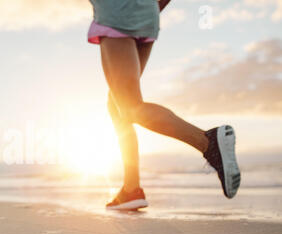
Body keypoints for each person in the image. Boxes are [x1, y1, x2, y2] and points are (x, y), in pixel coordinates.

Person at [87, 0, 241, 210]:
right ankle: (131, 189)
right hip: (147, 14)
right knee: (117, 105)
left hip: (116, 14)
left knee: (130, 107)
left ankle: (207, 142)